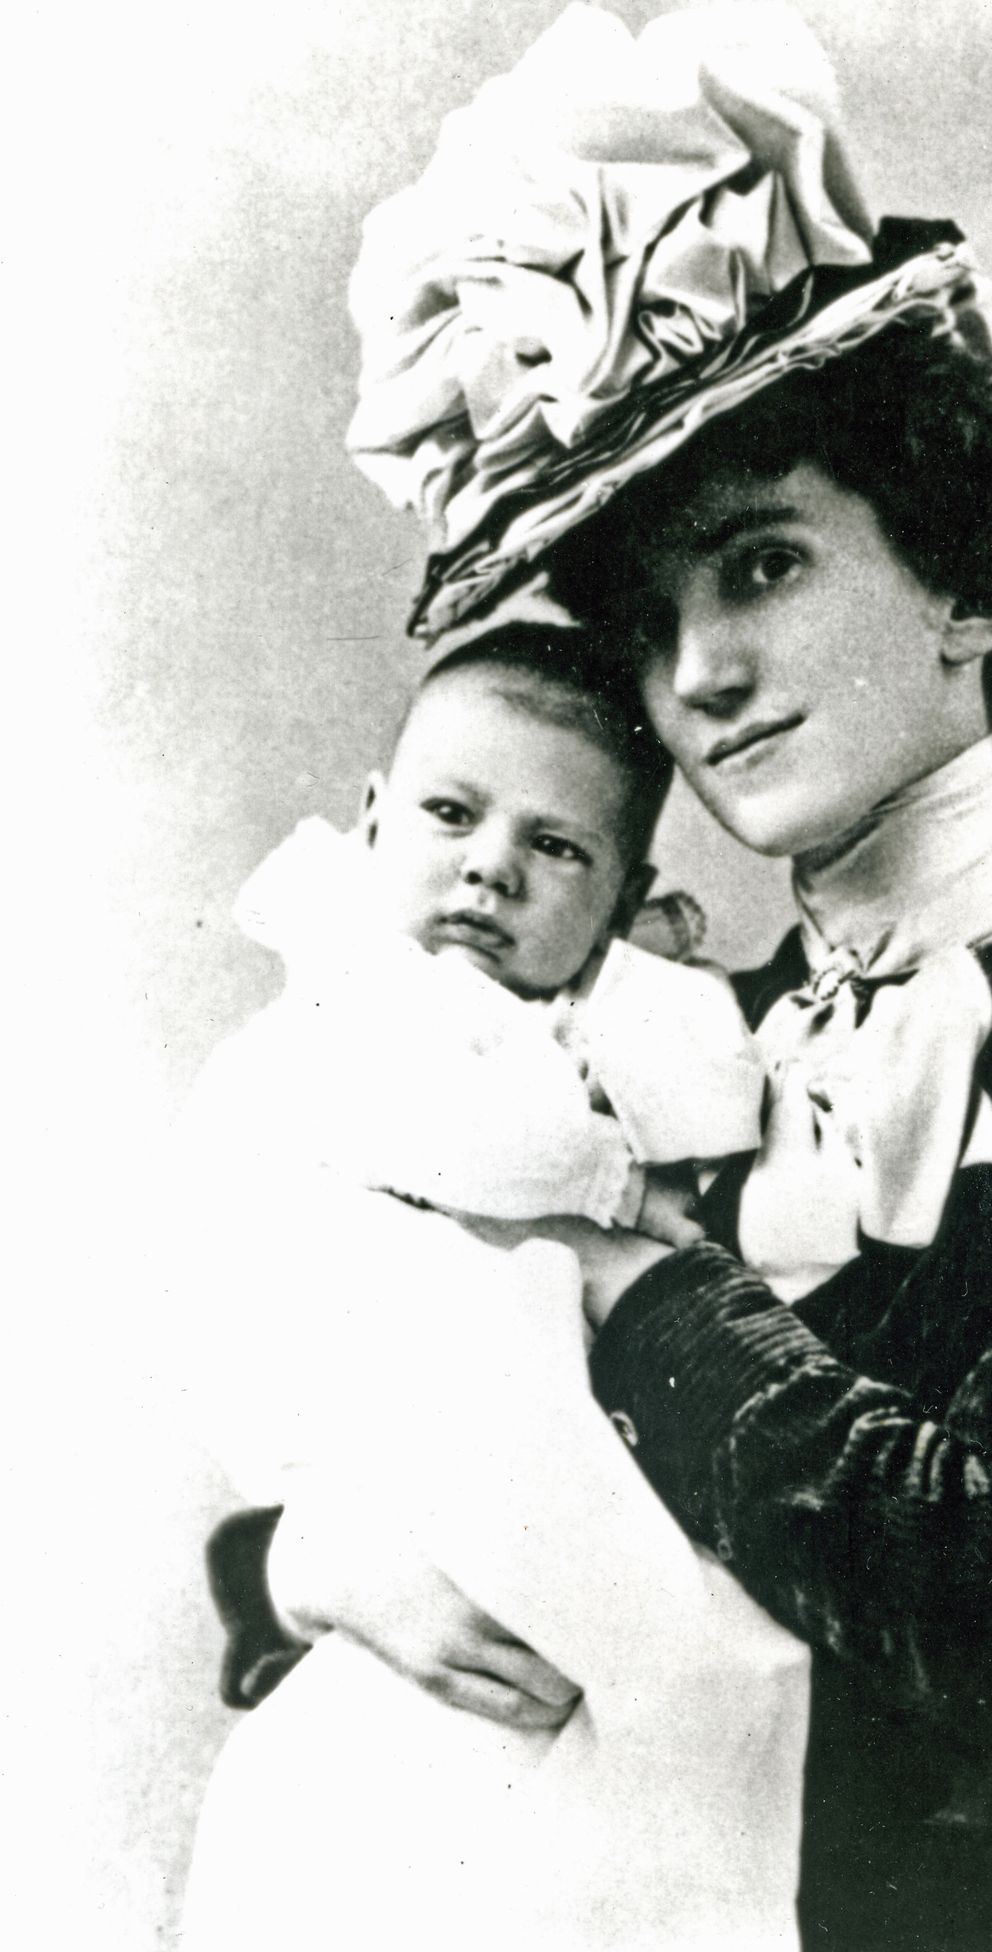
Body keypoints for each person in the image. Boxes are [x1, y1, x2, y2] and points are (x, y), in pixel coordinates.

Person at [200, 8, 992, 1948]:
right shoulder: (646, 1049)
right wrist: (310, 1563)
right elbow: (389, 1397)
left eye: (758, 567)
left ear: (969, 576)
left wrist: (638, 1272)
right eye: (656, 621)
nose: (699, 679)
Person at [175, 627, 810, 1951]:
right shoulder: (355, 1004)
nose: (491, 868)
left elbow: (726, 1112)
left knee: (619, 1751)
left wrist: (648, 992)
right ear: (371, 822)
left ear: (619, 892)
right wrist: (617, 1182)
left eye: (556, 850)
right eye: (452, 816)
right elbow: (487, 1147)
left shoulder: (594, 1021)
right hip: (392, 1436)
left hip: (551, 1470)